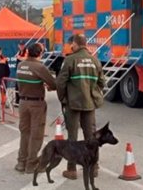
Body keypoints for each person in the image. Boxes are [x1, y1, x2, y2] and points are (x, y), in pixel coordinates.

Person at [56, 34, 105, 180]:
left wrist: (62, 98)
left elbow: (60, 82)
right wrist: (93, 93)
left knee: (72, 137)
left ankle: (71, 170)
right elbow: (102, 82)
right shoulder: (95, 60)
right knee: (91, 136)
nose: (71, 46)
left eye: (72, 44)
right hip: (89, 104)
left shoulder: (70, 59)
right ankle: (93, 167)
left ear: (75, 44)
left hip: (73, 104)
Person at [14, 43, 56, 174]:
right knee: (36, 135)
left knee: (24, 133)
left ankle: (21, 162)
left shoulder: (21, 65)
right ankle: (31, 165)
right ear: (39, 54)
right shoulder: (40, 67)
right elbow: (53, 84)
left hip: (22, 102)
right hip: (36, 104)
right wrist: (47, 85)